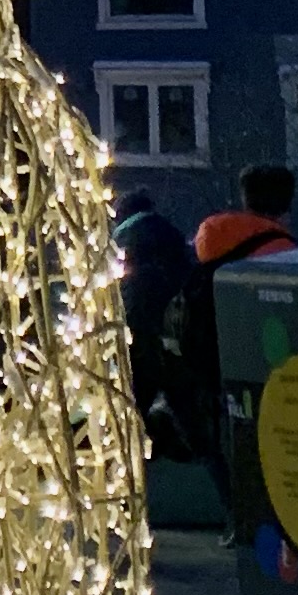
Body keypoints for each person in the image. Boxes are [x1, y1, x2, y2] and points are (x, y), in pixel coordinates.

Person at [179, 165, 298, 474]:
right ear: (286, 205)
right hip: (261, 373)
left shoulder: (209, 243)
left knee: (224, 454)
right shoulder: (282, 254)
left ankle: (234, 515)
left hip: (209, 366)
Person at [111, 190, 196, 455]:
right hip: (177, 333)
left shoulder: (122, 245)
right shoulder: (172, 237)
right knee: (183, 405)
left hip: (138, 335)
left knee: (134, 400)